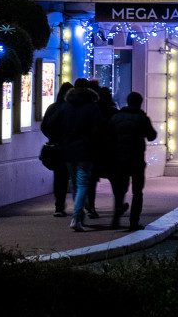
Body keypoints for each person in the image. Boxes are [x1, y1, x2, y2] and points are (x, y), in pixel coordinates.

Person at [46, 82, 101, 232]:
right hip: (85, 150)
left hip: (68, 150)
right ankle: (77, 216)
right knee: (83, 182)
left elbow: (50, 124)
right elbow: (97, 130)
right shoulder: (92, 107)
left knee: (76, 183)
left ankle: (79, 214)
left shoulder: (65, 107)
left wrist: (61, 138)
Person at [107, 91, 157, 230]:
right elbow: (152, 136)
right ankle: (134, 222)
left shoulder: (116, 118)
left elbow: (109, 138)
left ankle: (116, 218)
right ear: (140, 103)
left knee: (119, 190)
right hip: (136, 159)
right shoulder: (142, 118)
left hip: (119, 159)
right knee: (137, 192)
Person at [40, 80, 73, 216]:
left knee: (58, 175)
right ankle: (61, 204)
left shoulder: (52, 107)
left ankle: (58, 204)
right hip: (66, 146)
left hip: (54, 146)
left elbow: (44, 126)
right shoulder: (69, 108)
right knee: (65, 175)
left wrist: (52, 137)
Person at [87, 82, 118, 220]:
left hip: (95, 150)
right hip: (111, 152)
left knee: (92, 181)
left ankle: (91, 207)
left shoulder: (94, 110)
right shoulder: (114, 112)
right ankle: (117, 207)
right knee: (115, 181)